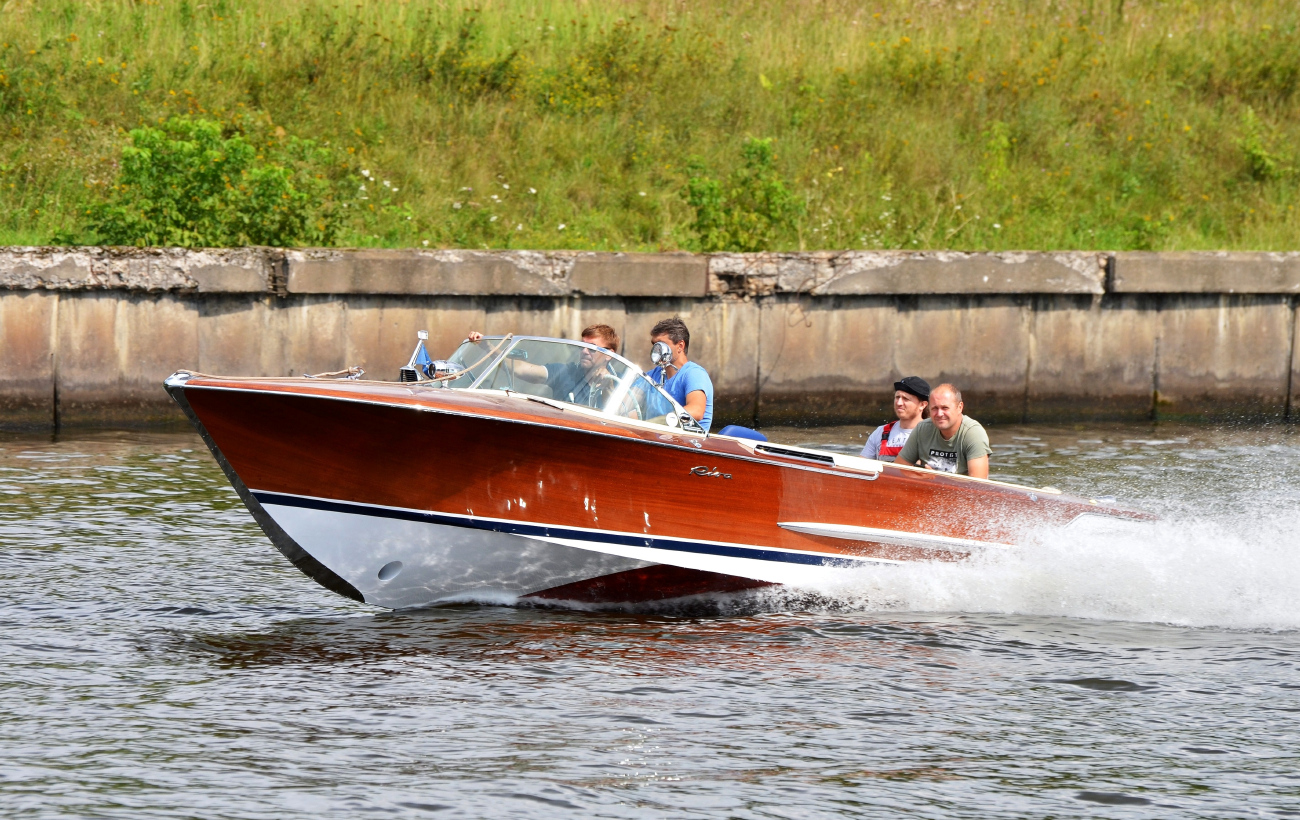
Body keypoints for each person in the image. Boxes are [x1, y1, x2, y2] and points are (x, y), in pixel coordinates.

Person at [466, 324, 621, 408]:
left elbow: (622, 416)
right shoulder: (565, 372)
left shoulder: (621, 384)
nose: (585, 351)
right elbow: (520, 369)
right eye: (582, 346)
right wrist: (488, 347)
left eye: (592, 348)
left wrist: (609, 386)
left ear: (609, 354)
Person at [894, 383, 990, 478]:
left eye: (945, 408)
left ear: (960, 407)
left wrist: (938, 480)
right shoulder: (922, 429)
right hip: (927, 488)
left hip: (960, 492)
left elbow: (979, 486)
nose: (939, 414)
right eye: (935, 408)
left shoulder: (973, 433)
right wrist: (919, 478)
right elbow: (896, 470)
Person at [646, 316, 714, 433]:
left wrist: (660, 421)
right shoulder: (652, 375)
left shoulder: (694, 374)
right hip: (658, 438)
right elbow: (630, 404)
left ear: (680, 346)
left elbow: (696, 410)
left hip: (689, 442)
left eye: (661, 344)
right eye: (654, 345)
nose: (656, 350)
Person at [861, 376, 930, 460]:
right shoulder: (880, 432)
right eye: (897, 397)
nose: (899, 403)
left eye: (905, 399)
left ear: (923, 405)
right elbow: (860, 465)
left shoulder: (932, 435)